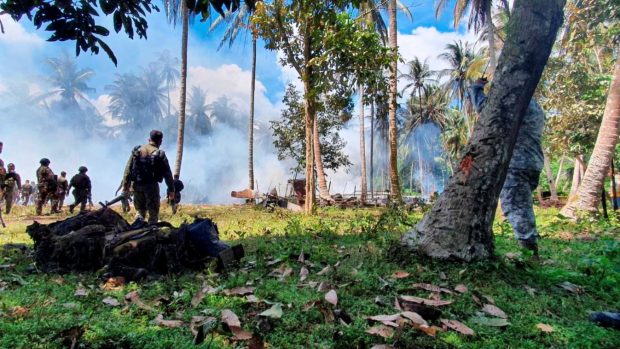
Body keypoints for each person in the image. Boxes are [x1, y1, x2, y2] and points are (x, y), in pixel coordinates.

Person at [470, 78, 545, 258]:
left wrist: (476, 88)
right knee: (521, 205)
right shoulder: (534, 106)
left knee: (516, 207)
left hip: (517, 164)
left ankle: (530, 255)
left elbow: (486, 109)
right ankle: (529, 248)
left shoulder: (515, 103)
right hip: (532, 162)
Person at [122, 130, 174, 224]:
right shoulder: (159, 153)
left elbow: (128, 169)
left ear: (149, 139)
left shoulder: (138, 150)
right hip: (151, 187)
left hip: (137, 185)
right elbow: (167, 173)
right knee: (153, 213)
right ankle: (151, 232)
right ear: (160, 141)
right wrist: (171, 190)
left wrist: (125, 185)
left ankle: (137, 229)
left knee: (140, 211)